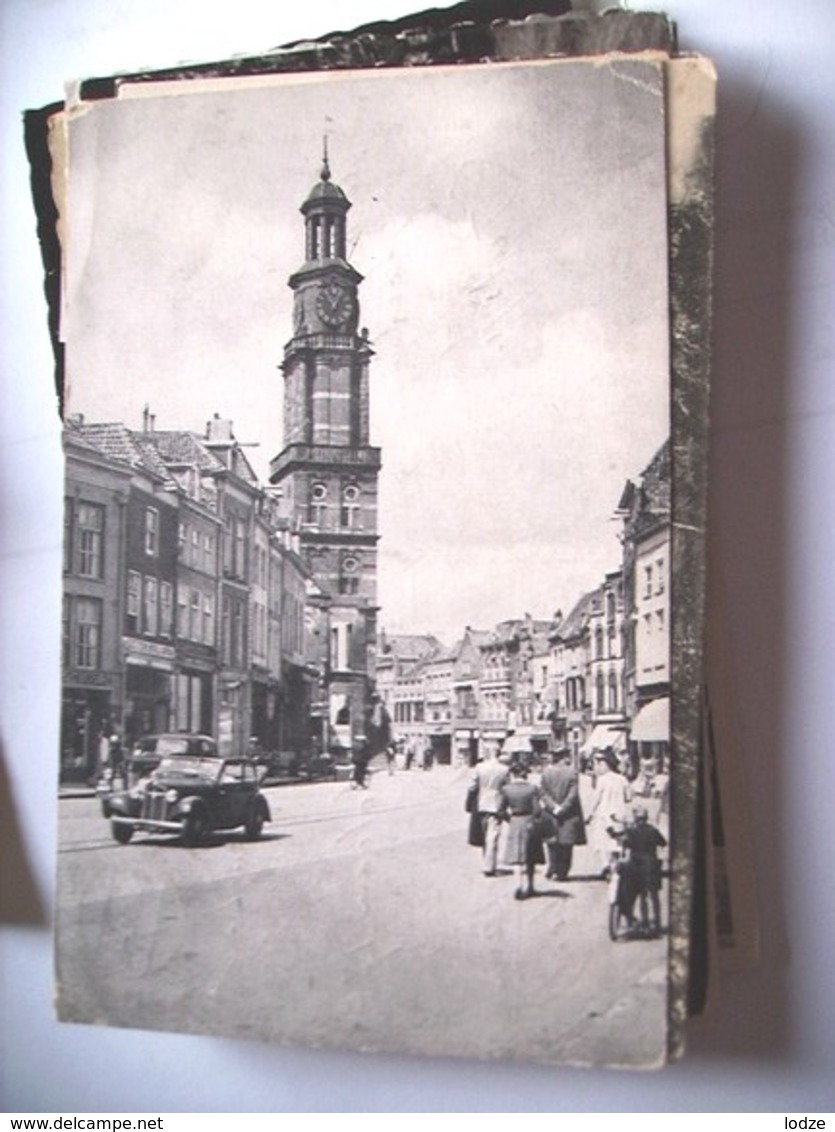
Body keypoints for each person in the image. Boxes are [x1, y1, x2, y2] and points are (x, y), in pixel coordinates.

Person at [499, 757, 545, 899]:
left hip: (515, 822)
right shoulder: (533, 789)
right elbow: (538, 810)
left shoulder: (506, 790)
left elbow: (500, 811)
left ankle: (518, 885)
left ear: (513, 774)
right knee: (530, 857)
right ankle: (530, 886)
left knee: (516, 857)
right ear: (526, 774)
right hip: (529, 822)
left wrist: (510, 819)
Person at [539, 746, 586, 881]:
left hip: (550, 812)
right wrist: (563, 807)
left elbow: (542, 792)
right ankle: (562, 872)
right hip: (569, 813)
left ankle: (552, 867)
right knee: (567, 843)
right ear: (565, 757)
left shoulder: (546, 772)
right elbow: (573, 794)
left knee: (551, 841)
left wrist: (553, 806)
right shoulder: (572, 772)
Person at [585, 746, 632, 877]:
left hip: (604, 815)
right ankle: (615, 866)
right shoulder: (622, 779)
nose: (598, 768)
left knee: (601, 842)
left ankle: (606, 866)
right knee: (616, 841)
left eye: (600, 764)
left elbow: (596, 799)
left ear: (607, 765)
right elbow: (629, 798)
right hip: (619, 815)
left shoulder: (602, 780)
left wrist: (589, 814)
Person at [622, 805, 667, 934]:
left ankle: (645, 923)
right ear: (646, 818)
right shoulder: (653, 830)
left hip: (638, 867)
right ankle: (657, 923)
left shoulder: (632, 831)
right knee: (654, 896)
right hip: (652, 866)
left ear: (636, 818)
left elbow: (625, 844)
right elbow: (663, 843)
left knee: (643, 896)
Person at [469, 741, 510, 877]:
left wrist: (470, 801)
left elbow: (473, 786)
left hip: (481, 804)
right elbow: (507, 788)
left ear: (489, 752)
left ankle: (487, 863)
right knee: (492, 836)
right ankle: (489, 866)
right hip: (496, 805)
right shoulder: (504, 769)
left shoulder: (479, 767)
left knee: (484, 835)